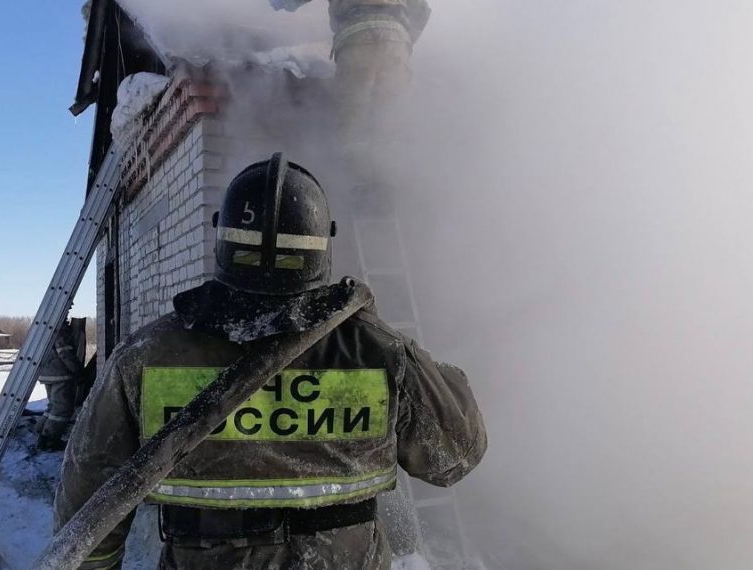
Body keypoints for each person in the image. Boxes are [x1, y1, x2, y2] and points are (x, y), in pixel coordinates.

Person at [55, 154, 486, 569]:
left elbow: (89, 500)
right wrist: (444, 379)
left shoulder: (144, 356)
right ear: (323, 244)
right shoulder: (380, 351)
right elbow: (455, 458)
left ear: (221, 236)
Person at [270, 0, 431, 143]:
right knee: (390, 116)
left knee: (352, 119)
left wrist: (276, 3)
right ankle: (389, 170)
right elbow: (423, 9)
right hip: (397, 44)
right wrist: (404, 43)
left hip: (357, 40)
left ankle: (352, 168)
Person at [36, 318, 86, 452]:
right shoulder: (58, 329)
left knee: (53, 406)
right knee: (62, 409)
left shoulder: (45, 326)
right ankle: (51, 440)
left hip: (49, 374)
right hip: (60, 375)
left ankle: (41, 435)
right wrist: (78, 371)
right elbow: (65, 354)